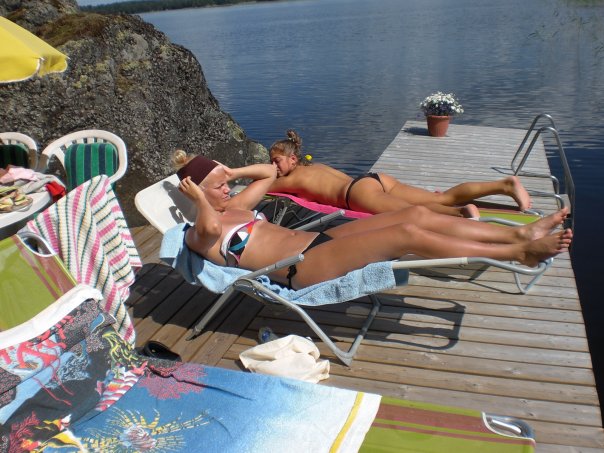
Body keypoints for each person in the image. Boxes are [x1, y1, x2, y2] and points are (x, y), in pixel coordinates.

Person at [172, 150, 572, 291]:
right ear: (196, 194)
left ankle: (520, 232)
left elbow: (266, 174)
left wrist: (230, 172)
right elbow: (208, 229)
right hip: (298, 268)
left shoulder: (237, 207)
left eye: (227, 184)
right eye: (219, 187)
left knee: (414, 213)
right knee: (407, 233)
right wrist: (199, 199)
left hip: (315, 244)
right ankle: (517, 252)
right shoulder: (198, 234)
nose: (228, 189)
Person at [268, 130, 533, 218]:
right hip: (376, 179)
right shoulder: (314, 166)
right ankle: (504, 185)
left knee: (412, 212)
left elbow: (265, 185)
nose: (274, 166)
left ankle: (461, 214)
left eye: (276, 161)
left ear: (293, 159)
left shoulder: (293, 178)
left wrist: (262, 173)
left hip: (357, 194)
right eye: (272, 163)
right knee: (441, 197)